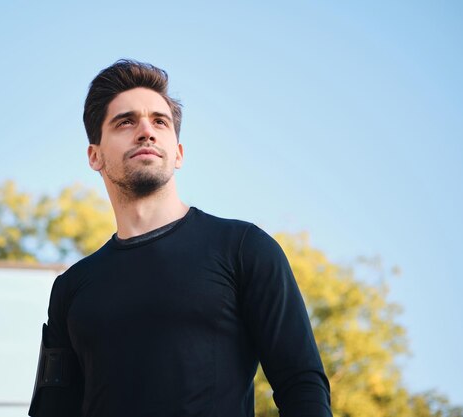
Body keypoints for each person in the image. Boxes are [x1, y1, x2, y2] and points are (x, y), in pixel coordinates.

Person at [29, 59, 332, 417]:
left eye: (160, 121)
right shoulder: (71, 289)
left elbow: (302, 387)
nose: (146, 131)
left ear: (179, 153)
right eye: (125, 122)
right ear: (95, 156)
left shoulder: (244, 249)